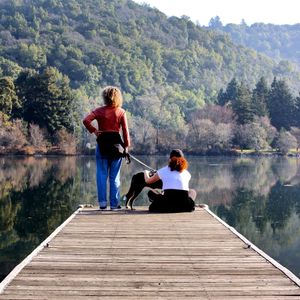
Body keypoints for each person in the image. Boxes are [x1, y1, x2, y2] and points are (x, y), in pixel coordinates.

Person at [83, 86, 130, 210]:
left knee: (101, 175)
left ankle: (102, 204)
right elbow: (125, 132)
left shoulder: (98, 111)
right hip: (116, 146)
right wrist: (126, 147)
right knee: (115, 177)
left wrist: (94, 130)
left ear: (104, 97)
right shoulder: (121, 112)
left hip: (102, 145)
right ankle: (114, 205)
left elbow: (86, 120)